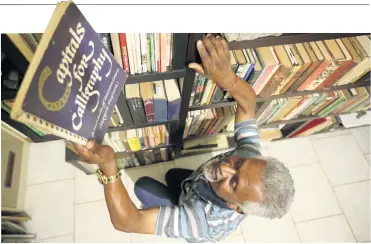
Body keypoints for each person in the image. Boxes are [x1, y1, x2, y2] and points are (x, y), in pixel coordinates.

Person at [74, 34, 295, 243]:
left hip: (190, 207)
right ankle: (186, 188)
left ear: (237, 207)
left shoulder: (200, 222)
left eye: (233, 183)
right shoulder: (250, 157)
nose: (226, 167)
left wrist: (108, 168)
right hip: (195, 184)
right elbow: (248, 105)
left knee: (142, 187)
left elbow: (130, 222)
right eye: (238, 163)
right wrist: (229, 80)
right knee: (174, 176)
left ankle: (176, 198)